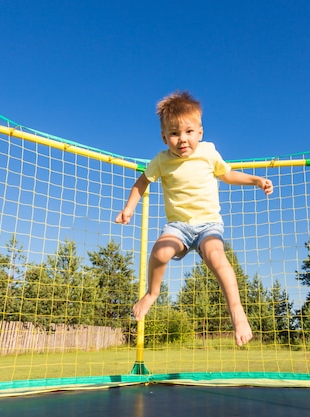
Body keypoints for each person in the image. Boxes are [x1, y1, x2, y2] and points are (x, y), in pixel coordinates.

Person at [115, 91, 273, 346]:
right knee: (160, 252)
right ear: (164, 137)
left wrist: (256, 180)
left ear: (200, 132)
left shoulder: (209, 152)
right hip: (178, 226)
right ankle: (152, 293)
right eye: (174, 134)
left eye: (189, 132)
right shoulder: (161, 161)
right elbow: (142, 182)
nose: (182, 139)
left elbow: (228, 175)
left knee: (216, 256)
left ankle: (237, 312)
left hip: (208, 223)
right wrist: (129, 208)